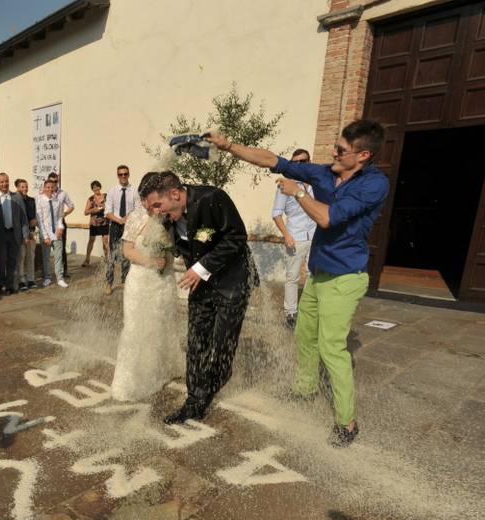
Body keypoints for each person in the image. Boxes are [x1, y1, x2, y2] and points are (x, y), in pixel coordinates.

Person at [207, 120, 390, 446]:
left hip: (346, 279)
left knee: (332, 348)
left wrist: (300, 193)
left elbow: (327, 218)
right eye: (335, 145)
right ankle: (305, 390)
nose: (333, 151)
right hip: (318, 275)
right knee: (305, 336)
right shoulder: (325, 173)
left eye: (341, 150)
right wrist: (229, 146)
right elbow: (273, 160)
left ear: (363, 155)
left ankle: (347, 422)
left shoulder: (374, 184)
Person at [142, 170, 256, 425]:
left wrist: (201, 268)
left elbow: (237, 237)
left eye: (157, 205)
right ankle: (195, 402)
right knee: (195, 344)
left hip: (232, 284)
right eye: (152, 208)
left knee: (222, 348)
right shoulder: (168, 217)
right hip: (201, 286)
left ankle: (209, 389)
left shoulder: (211, 198)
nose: (156, 212)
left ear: (175, 193)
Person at [111, 172, 183, 401]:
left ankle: (159, 371)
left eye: (148, 199)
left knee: (162, 326)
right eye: (142, 199)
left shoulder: (169, 216)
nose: (146, 204)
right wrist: (152, 262)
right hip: (140, 282)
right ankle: (129, 383)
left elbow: (174, 247)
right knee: (134, 329)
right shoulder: (136, 218)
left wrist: (169, 261)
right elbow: (128, 250)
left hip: (163, 282)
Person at [271, 149, 316, 327]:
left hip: (315, 235)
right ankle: (291, 312)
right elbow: (276, 214)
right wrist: (286, 235)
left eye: (303, 161)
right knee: (292, 277)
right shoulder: (285, 185)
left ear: (309, 162)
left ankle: (306, 310)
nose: (299, 165)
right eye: (295, 162)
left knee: (314, 275)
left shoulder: (316, 184)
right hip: (295, 236)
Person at [104, 164, 138, 295]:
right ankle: (109, 282)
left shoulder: (134, 190)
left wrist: (128, 218)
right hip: (116, 225)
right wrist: (119, 220)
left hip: (129, 226)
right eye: (120, 174)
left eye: (125, 174)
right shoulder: (112, 191)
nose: (123, 176)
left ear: (129, 175)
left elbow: (138, 208)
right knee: (112, 255)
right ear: (117, 176)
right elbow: (107, 212)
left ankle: (125, 281)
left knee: (126, 255)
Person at [0, 172, 28, 294]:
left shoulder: (16, 197)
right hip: (0, 234)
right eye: (2, 182)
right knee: (1, 261)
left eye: (6, 181)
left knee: (12, 261)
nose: (4, 184)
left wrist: (25, 235)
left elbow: (23, 217)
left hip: (14, 234)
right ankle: (0, 285)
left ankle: (10, 285)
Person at [36, 179, 68, 288]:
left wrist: (60, 227)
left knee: (58, 256)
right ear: (44, 188)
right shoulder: (40, 201)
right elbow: (40, 220)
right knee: (46, 257)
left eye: (51, 187)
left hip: (57, 233)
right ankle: (47, 278)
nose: (50, 189)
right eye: (47, 187)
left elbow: (59, 216)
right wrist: (45, 236)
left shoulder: (57, 201)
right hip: (46, 233)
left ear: (54, 188)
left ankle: (60, 278)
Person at [47, 172, 75, 279]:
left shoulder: (63, 193)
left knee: (61, 248)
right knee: (47, 248)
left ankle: (64, 270)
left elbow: (71, 206)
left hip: (60, 223)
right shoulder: (43, 193)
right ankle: (47, 273)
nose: (54, 183)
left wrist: (66, 213)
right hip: (48, 224)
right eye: (52, 181)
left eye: (56, 181)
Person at [15, 178, 38, 290]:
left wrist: (34, 221)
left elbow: (34, 216)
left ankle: (31, 279)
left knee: (31, 256)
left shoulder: (31, 200)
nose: (25, 189)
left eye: (26, 186)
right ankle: (21, 280)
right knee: (21, 256)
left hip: (31, 231)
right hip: (20, 233)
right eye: (22, 187)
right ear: (17, 188)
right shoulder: (15, 200)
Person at [82, 180, 109, 267]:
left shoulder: (106, 196)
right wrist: (93, 210)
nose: (96, 188)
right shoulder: (90, 199)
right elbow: (85, 212)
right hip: (94, 223)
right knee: (91, 241)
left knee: (105, 241)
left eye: (97, 186)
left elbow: (111, 206)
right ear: (92, 189)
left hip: (104, 222)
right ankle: (87, 259)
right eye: (94, 187)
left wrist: (105, 207)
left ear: (100, 187)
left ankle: (107, 259)